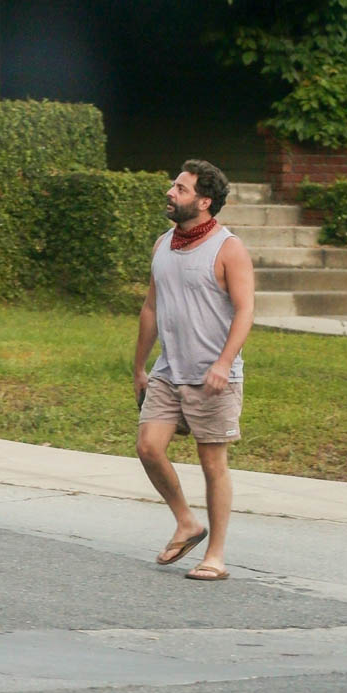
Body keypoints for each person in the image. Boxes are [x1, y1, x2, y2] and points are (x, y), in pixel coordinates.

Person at [134, 159, 254, 582]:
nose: (171, 192)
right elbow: (150, 308)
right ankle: (187, 522)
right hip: (170, 369)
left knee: (212, 463)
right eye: (174, 185)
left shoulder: (228, 248)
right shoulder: (162, 244)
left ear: (204, 202)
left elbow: (245, 311)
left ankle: (215, 556)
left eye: (181, 189)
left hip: (213, 375)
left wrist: (224, 363)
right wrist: (139, 368)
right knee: (149, 447)